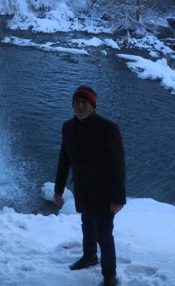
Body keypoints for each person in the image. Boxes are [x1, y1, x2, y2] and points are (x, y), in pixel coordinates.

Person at [53, 85, 126, 286]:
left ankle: (109, 276)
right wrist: (58, 189)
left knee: (104, 234)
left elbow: (118, 165)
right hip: (83, 191)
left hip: (104, 193)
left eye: (84, 102)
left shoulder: (108, 129)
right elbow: (64, 159)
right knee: (87, 224)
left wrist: (118, 198)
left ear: (92, 105)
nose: (79, 106)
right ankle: (89, 256)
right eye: (76, 102)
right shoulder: (67, 127)